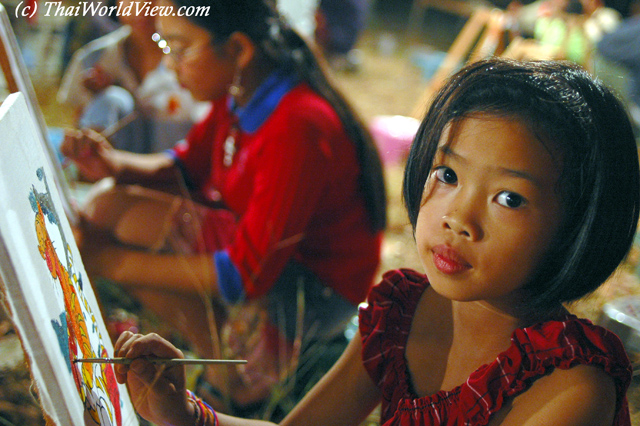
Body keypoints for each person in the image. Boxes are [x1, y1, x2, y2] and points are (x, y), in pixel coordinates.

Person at [113, 57, 638, 425]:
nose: (457, 219)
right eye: (448, 176)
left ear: (581, 224)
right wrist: (182, 412)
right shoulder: (400, 316)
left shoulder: (570, 389)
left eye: (509, 199)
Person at [61, 0, 386, 414]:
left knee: (129, 250)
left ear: (238, 48)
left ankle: (234, 376)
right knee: (105, 208)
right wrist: (112, 164)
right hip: (264, 252)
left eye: (181, 48)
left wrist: (112, 263)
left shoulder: (297, 126)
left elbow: (244, 275)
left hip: (312, 287)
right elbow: (186, 166)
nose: (171, 64)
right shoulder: (242, 91)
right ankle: (215, 342)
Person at [58, 0, 202, 153]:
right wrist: (97, 101)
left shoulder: (195, 61)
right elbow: (73, 125)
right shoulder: (93, 59)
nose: (142, 7)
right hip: (107, 173)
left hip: (174, 173)